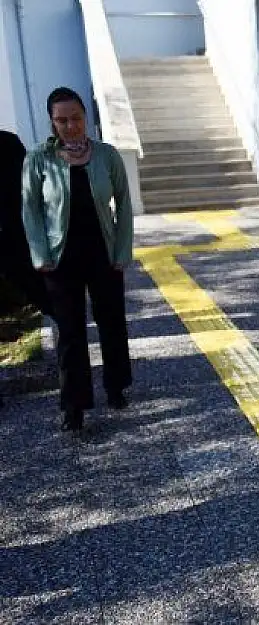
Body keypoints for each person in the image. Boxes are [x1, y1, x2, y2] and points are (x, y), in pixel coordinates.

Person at [22, 87, 134, 432]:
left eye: (76, 118)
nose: (70, 126)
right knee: (70, 331)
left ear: (86, 117)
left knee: (112, 322)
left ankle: (115, 386)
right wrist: (39, 255)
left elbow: (125, 206)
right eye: (62, 120)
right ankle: (74, 406)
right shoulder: (39, 159)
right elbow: (31, 211)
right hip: (60, 259)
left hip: (103, 252)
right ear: (52, 122)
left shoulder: (107, 155)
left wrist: (121, 252)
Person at [2, 130, 52, 319]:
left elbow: (29, 184)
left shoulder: (8, 142)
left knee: (35, 280)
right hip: (8, 238)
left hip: (22, 228)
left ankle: (56, 312)